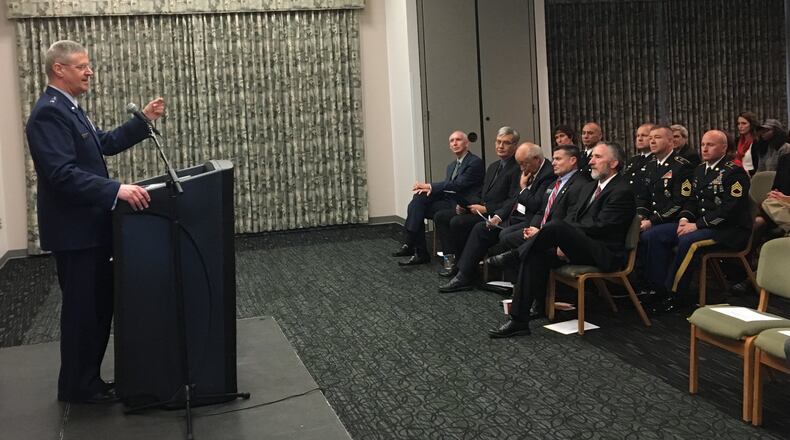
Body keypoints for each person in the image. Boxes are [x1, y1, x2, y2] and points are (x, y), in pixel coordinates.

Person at [26, 40, 165, 403]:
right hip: (75, 233)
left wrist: (142, 122)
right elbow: (62, 174)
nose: (90, 72)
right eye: (82, 66)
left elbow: (101, 143)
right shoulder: (48, 113)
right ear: (60, 69)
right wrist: (116, 189)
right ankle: (76, 386)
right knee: (82, 312)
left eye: (89, 66)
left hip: (90, 229)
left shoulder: (71, 109)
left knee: (97, 308)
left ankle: (87, 380)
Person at [488, 141, 635, 338]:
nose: (591, 161)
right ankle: (518, 320)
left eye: (598, 157)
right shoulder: (592, 186)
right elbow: (575, 218)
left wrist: (567, 238)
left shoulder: (622, 190)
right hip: (581, 247)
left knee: (556, 226)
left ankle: (515, 255)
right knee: (535, 256)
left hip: (604, 253)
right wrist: (565, 242)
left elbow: (602, 227)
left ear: (614, 163)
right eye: (592, 157)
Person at [641, 130, 751, 312]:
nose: (705, 148)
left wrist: (697, 225)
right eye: (703, 144)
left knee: (688, 242)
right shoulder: (700, 169)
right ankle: (657, 288)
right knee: (654, 234)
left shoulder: (734, 173)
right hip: (700, 224)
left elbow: (730, 210)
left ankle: (676, 294)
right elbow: (692, 200)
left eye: (711, 145)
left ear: (724, 148)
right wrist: (684, 218)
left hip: (729, 230)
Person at [438, 143, 555, 292]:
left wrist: (524, 187)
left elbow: (535, 205)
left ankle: (515, 285)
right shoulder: (527, 168)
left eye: (523, 164)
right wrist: (498, 216)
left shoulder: (548, 174)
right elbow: (514, 198)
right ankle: (465, 275)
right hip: (513, 215)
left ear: (537, 159)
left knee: (502, 234)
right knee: (481, 228)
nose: (521, 168)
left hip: (530, 220)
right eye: (519, 164)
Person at [433, 127, 520, 277]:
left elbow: (513, 200)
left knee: (458, 222)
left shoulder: (517, 168)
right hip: (482, 209)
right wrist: (466, 205)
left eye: (506, 143)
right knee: (442, 216)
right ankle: (452, 261)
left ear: (515, 146)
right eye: (498, 142)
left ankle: (463, 268)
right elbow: (481, 193)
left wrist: (487, 209)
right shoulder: (493, 166)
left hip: (496, 214)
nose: (500, 146)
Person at [393, 130, 485, 266]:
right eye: (452, 141)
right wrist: (427, 190)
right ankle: (420, 252)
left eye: (458, 140)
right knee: (418, 200)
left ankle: (410, 241)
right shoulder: (451, 166)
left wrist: (430, 186)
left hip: (462, 205)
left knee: (420, 206)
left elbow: (457, 185)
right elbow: (447, 188)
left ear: (467, 144)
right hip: (449, 201)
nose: (455, 143)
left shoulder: (475, 162)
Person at [633, 126, 694, 295]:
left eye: (657, 137)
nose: (652, 141)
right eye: (650, 138)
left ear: (671, 141)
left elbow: (680, 202)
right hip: (652, 218)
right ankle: (635, 282)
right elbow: (643, 197)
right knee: (630, 229)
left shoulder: (682, 167)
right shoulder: (651, 165)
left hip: (674, 220)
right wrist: (640, 217)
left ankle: (658, 287)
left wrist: (652, 221)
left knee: (651, 235)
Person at [624, 122, 655, 187]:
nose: (639, 139)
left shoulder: (657, 160)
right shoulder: (632, 160)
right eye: (637, 136)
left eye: (644, 135)